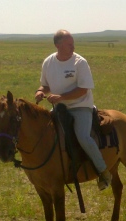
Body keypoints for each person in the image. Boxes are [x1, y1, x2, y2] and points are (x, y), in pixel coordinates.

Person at [35, 29, 112, 190]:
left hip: (80, 107)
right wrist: (41, 91)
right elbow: (45, 84)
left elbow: (83, 89)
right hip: (60, 108)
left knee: (83, 137)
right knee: (44, 133)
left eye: (73, 43)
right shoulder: (48, 62)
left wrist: (61, 97)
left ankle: (103, 171)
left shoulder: (80, 62)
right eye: (69, 44)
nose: (73, 46)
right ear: (58, 45)